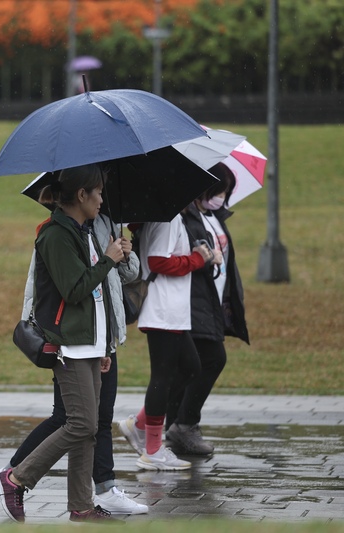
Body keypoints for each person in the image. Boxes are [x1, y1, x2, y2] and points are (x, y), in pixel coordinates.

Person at [0, 164, 125, 523]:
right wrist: (109, 260)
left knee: (90, 428)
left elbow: (99, 297)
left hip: (90, 344)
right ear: (81, 195)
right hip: (67, 345)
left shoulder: (83, 231)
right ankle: (17, 477)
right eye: (97, 192)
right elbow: (76, 288)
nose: (102, 198)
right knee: (81, 423)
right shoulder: (55, 235)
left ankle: (81, 506)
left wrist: (104, 346)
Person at [117, 206, 222, 471]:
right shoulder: (169, 219)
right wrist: (197, 259)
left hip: (173, 311)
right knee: (162, 378)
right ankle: (152, 450)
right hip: (162, 310)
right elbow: (157, 261)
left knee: (190, 368)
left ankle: (139, 424)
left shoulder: (164, 218)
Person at [164, 163, 249, 455]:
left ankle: (171, 426)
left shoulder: (211, 215)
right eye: (220, 191)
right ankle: (183, 424)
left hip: (213, 299)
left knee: (187, 365)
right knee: (212, 358)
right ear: (206, 188)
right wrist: (201, 256)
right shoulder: (184, 217)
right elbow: (173, 256)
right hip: (193, 299)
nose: (223, 198)